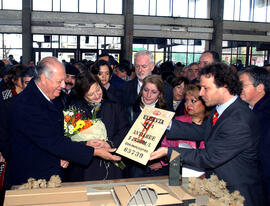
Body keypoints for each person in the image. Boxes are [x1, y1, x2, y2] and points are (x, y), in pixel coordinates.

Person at [150, 63, 265, 206]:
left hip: (236, 194)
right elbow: (205, 131)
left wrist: (168, 151)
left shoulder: (238, 120)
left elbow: (209, 157)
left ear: (224, 87)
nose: (201, 93)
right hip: (217, 188)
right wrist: (168, 124)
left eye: (206, 88)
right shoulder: (222, 109)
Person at [8, 57, 121, 187]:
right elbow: (52, 141)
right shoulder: (27, 105)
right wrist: (94, 151)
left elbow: (60, 134)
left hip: (51, 173)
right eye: (59, 81)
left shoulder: (50, 96)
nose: (63, 85)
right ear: (44, 78)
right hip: (33, 178)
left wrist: (82, 145)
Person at [65, 71, 129, 181]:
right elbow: (67, 139)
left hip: (111, 163)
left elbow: (124, 129)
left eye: (98, 89)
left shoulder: (113, 104)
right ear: (82, 95)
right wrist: (86, 144)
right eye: (91, 94)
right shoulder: (74, 110)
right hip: (85, 167)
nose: (97, 95)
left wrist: (109, 144)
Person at [127, 74, 169, 178]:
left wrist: (163, 162)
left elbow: (171, 141)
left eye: (154, 92)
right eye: (146, 90)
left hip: (156, 165)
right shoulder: (129, 109)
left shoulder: (167, 113)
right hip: (133, 165)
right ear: (141, 90)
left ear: (159, 94)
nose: (148, 95)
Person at [238, 67, 270, 205]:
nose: (238, 88)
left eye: (243, 85)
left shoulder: (265, 115)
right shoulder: (250, 109)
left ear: (260, 88)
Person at [121, 50, 173, 114]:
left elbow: (169, 115)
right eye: (137, 66)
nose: (140, 70)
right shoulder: (125, 88)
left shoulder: (166, 88)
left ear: (152, 67)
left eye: (144, 66)